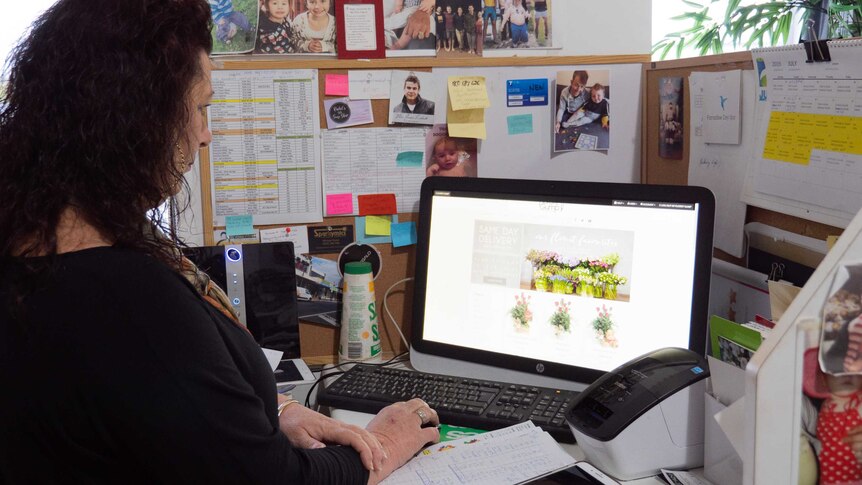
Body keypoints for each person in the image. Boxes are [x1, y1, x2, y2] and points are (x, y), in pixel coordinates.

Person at [0, 0, 439, 482]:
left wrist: (280, 412)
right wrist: (385, 443)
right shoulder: (126, 297)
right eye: (201, 107)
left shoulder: (34, 237)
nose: (206, 135)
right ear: (138, 117)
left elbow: (169, 404)